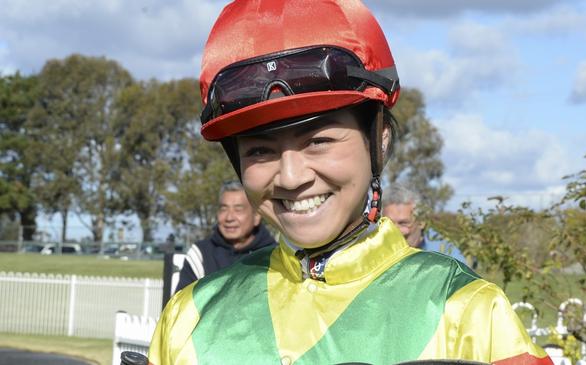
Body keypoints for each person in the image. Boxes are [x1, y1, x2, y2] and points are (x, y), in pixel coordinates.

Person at [149, 1, 552, 364]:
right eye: (259, 150)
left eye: (319, 141)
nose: (291, 176)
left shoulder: (468, 311)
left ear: (380, 139)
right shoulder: (189, 315)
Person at [174, 180, 276, 292]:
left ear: (257, 216)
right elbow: (182, 306)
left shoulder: (275, 255)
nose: (229, 218)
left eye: (238, 209)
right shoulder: (201, 255)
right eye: (224, 208)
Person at [382, 183, 467, 264]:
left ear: (422, 222)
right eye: (389, 223)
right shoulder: (375, 247)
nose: (395, 231)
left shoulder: (447, 256)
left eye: (403, 223)